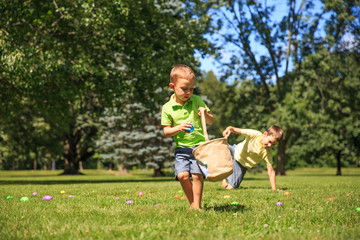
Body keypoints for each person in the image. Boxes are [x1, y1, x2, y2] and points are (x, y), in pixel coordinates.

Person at [161, 64, 214, 210]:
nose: (188, 92)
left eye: (191, 88)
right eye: (184, 89)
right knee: (182, 176)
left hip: (199, 147)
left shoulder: (196, 100)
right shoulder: (167, 108)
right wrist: (178, 128)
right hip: (182, 149)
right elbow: (166, 132)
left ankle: (196, 206)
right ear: (172, 86)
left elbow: (211, 121)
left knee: (197, 176)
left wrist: (205, 114)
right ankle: (193, 203)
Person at [220, 125, 283, 190]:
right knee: (218, 146)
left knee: (232, 187)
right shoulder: (255, 134)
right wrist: (229, 129)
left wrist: (274, 189)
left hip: (241, 165)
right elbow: (235, 129)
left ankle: (224, 181)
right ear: (265, 134)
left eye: (273, 144)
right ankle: (217, 171)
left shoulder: (267, 153)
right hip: (235, 151)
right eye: (270, 141)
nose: (270, 145)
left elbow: (271, 171)